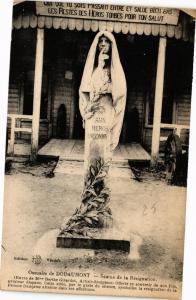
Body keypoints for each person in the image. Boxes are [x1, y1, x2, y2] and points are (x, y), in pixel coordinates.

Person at [79, 31, 127, 179]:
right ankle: (90, 182)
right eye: (101, 41)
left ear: (112, 45)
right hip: (94, 113)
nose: (103, 44)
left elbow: (120, 91)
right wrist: (99, 65)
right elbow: (87, 88)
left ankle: (101, 183)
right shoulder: (93, 69)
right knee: (93, 148)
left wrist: (110, 89)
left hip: (107, 112)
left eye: (107, 41)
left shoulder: (115, 71)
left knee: (105, 149)